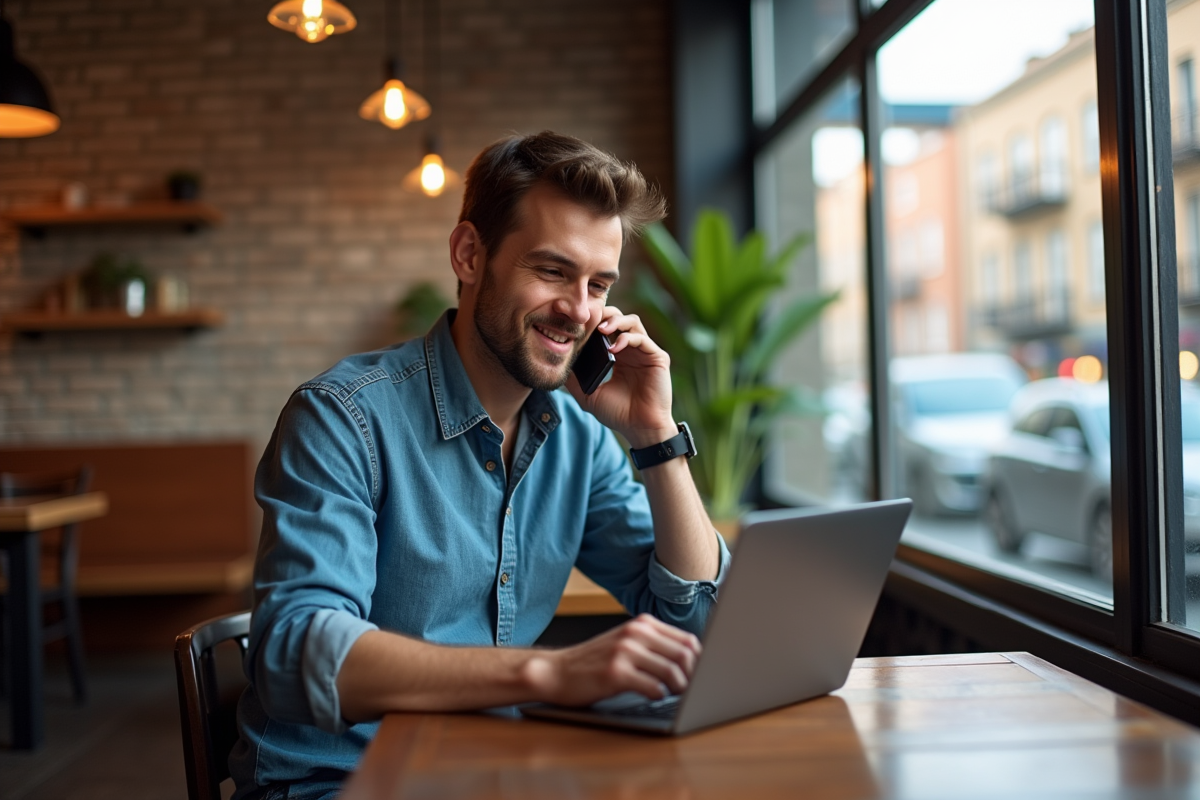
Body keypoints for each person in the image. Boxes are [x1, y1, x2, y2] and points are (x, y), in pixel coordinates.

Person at [230, 131, 730, 800]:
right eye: (552, 271)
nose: (579, 310)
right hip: (338, 783)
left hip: (491, 770)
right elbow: (296, 651)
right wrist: (544, 674)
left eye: (598, 284)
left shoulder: (578, 438)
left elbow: (696, 624)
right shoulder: (341, 417)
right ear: (470, 255)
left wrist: (655, 436)